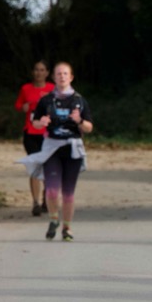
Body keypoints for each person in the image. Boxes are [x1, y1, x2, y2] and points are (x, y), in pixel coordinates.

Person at [30, 62, 94, 241]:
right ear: (54, 78)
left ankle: (67, 228)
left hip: (72, 149)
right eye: (59, 74)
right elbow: (35, 121)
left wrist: (79, 121)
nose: (62, 77)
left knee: (68, 193)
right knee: (51, 190)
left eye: (65, 74)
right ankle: (53, 219)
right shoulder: (46, 100)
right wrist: (41, 122)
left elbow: (89, 127)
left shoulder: (79, 101)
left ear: (71, 77)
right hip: (52, 148)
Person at [14, 60, 54, 215]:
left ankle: (46, 198)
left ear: (47, 73)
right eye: (36, 70)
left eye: (42, 70)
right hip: (31, 133)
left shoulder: (52, 89)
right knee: (35, 165)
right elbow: (18, 105)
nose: (39, 73)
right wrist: (23, 107)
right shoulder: (26, 88)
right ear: (32, 72)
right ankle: (36, 202)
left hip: (48, 134)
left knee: (48, 166)